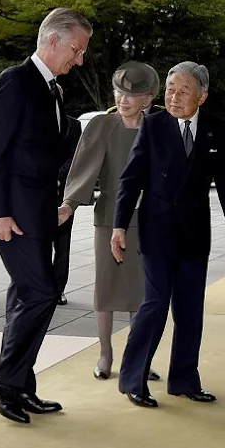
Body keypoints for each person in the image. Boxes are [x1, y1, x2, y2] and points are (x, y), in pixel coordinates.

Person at [111, 61, 225, 409]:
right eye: (170, 89)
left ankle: (184, 381)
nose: (173, 96)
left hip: (194, 234)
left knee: (190, 310)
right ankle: (133, 380)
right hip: (157, 232)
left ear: (201, 96)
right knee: (155, 304)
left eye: (183, 90)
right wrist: (119, 226)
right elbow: (131, 179)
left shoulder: (217, 131)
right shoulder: (154, 125)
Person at [0, 8, 92, 424]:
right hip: (14, 214)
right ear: (54, 41)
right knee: (42, 291)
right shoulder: (15, 81)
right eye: (77, 50)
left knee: (29, 295)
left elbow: (52, 152)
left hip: (41, 212)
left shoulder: (53, 91)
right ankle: (5, 383)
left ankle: (22, 385)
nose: (79, 60)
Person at [59, 61, 161, 382]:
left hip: (150, 221)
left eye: (133, 94)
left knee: (142, 294)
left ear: (147, 98)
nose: (123, 99)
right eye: (119, 92)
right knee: (106, 288)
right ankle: (105, 353)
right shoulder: (102, 126)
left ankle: (138, 357)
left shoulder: (158, 128)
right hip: (109, 220)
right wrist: (69, 204)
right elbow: (83, 169)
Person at [54, 105, 82, 306]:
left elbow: (76, 156)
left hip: (64, 193)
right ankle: (40, 288)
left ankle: (58, 289)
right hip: (36, 193)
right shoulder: (33, 119)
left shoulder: (74, 125)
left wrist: (57, 176)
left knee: (62, 244)